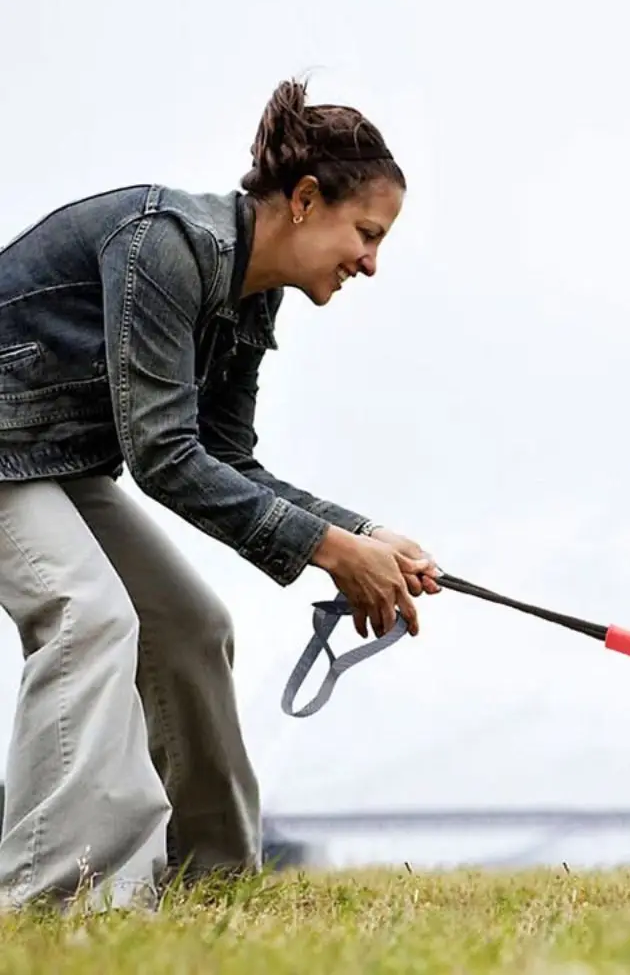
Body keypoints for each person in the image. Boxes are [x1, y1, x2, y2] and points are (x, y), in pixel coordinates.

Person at [0, 76, 441, 909]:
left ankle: (213, 885)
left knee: (193, 627)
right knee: (88, 615)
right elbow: (164, 457)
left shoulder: (252, 296)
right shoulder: (165, 244)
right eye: (368, 234)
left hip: (51, 460)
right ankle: (50, 900)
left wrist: (367, 534)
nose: (372, 264)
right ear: (306, 199)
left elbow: (226, 458)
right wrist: (334, 553)